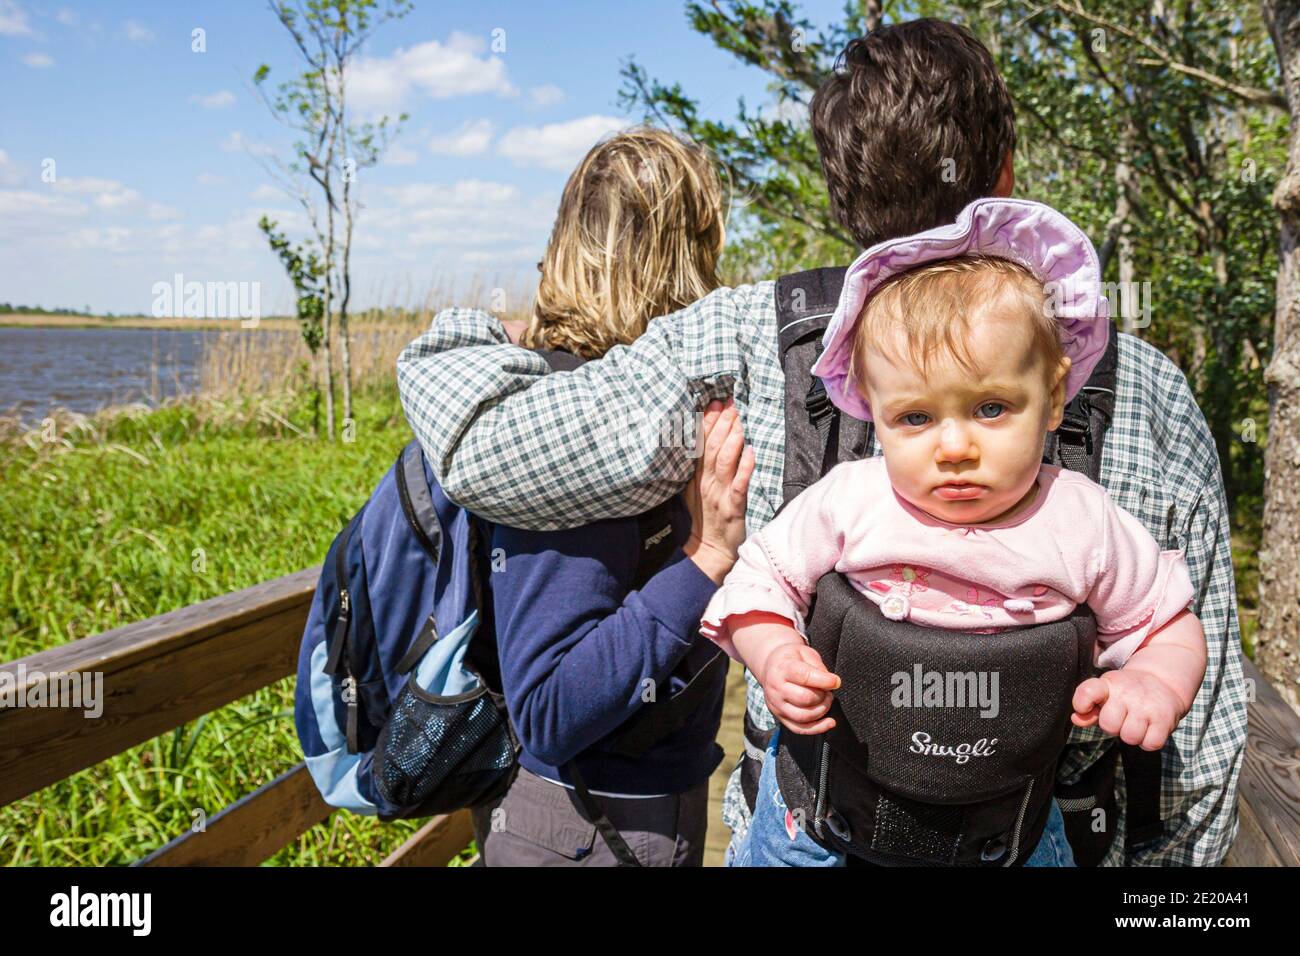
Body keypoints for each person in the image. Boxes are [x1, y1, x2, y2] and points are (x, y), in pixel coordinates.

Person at [396, 20, 1247, 866]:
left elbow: (482, 450)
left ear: (843, 196)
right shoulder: (1132, 382)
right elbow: (1198, 761)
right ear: (1006, 179)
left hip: (813, 819)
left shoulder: (741, 340)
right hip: (1031, 829)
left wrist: (471, 331)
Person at [699, 199, 1208, 866]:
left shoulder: (1081, 521)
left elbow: (1165, 620)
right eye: (915, 418)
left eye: (991, 408)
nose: (956, 446)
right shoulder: (854, 499)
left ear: (1053, 398)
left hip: (1005, 822)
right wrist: (773, 653)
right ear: (873, 413)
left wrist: (1154, 681)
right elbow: (760, 578)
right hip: (824, 814)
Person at [469, 128, 754, 866]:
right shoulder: (576, 412)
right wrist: (707, 556)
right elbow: (551, 709)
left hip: (628, 811)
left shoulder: (639, 398)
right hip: (584, 823)